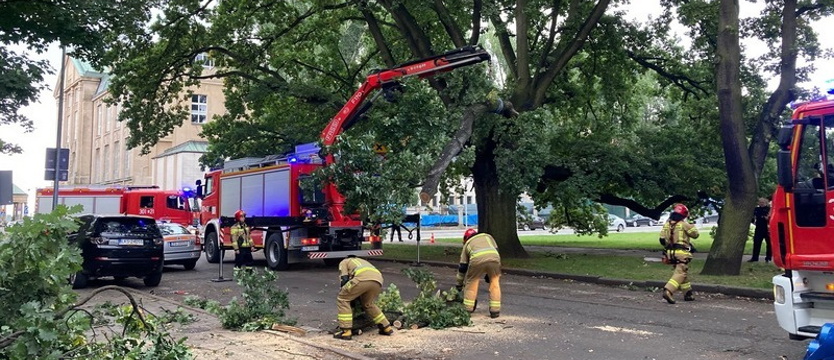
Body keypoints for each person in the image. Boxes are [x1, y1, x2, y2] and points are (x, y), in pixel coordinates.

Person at [333, 255, 394, 340]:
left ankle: (346, 331)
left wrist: (345, 292)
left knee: (343, 299)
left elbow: (344, 279)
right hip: (378, 280)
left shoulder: (344, 262)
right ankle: (386, 327)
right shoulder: (362, 261)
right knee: (368, 304)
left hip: (361, 279)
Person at [456, 228, 502, 318]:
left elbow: (463, 267)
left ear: (466, 238)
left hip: (477, 260)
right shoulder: (488, 237)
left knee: (472, 283)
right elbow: (496, 251)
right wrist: (490, 273)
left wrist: (459, 284)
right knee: (495, 283)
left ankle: (467, 309)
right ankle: (495, 311)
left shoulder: (468, 243)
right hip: (495, 259)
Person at [659, 204, 700, 304]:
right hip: (682, 253)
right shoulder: (683, 224)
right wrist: (691, 225)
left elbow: (662, 239)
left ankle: (688, 294)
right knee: (680, 273)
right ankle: (668, 291)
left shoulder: (667, 224)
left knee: (682, 272)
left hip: (670, 253)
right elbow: (696, 234)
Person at [748, 197, 772, 263]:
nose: (761, 204)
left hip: (767, 228)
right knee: (756, 243)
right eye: (760, 202)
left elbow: (770, 218)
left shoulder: (769, 209)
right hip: (758, 228)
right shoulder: (756, 209)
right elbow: (753, 217)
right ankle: (755, 258)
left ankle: (768, 258)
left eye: (762, 202)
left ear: (766, 203)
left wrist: (766, 218)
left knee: (769, 244)